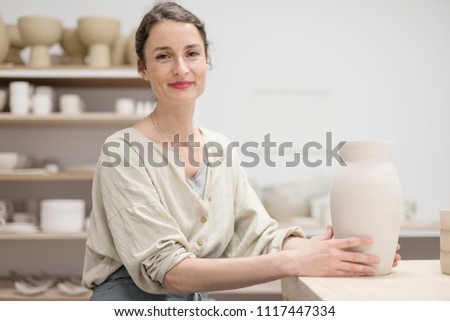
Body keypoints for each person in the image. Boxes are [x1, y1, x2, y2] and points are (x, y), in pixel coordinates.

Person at [82, 1, 400, 301]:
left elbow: (258, 235)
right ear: (143, 68)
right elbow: (171, 272)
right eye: (164, 56)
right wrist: (296, 262)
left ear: (206, 61)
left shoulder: (221, 150)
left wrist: (332, 250)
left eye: (191, 53)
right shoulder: (122, 152)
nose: (181, 68)